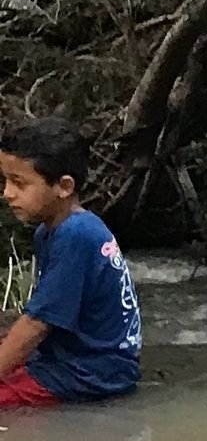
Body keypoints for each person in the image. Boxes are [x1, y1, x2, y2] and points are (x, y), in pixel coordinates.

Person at [0, 117, 141, 410]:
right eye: (5, 181)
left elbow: (37, 325)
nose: (7, 193)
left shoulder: (76, 236)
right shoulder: (53, 231)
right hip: (84, 358)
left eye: (19, 183)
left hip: (91, 371)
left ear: (63, 186)